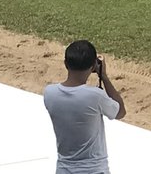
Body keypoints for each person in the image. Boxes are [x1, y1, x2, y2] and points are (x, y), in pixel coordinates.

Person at [43, 39, 126, 174]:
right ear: (94, 65)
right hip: (94, 170)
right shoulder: (95, 96)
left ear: (66, 64)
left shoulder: (49, 93)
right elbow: (120, 112)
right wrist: (103, 76)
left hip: (63, 169)